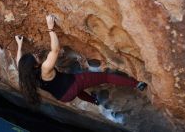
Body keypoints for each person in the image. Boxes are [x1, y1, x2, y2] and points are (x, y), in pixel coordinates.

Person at [15, 15, 147, 105]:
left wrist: (19, 45)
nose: (37, 56)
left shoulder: (26, 75)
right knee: (106, 77)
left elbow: (19, 61)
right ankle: (136, 84)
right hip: (73, 85)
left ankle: (94, 101)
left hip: (63, 97)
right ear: (35, 66)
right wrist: (50, 27)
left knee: (77, 91)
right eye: (35, 58)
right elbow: (55, 50)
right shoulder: (44, 69)